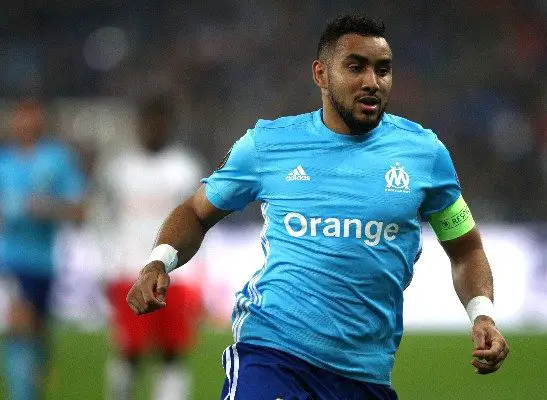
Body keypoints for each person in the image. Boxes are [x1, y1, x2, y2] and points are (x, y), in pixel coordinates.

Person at [126, 14, 510, 399]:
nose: (372, 82)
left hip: (365, 373)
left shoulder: (424, 154)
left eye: (382, 70)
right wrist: (159, 261)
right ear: (321, 74)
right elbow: (196, 212)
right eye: (356, 67)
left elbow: (465, 248)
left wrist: (483, 316)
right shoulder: (268, 144)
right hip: (272, 354)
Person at [96, 95, 206, 400]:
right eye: (149, 122)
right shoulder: (119, 169)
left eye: (160, 123)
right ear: (139, 125)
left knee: (173, 353)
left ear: (170, 125)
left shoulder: (185, 167)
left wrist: (199, 272)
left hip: (176, 275)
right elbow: (101, 219)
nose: (154, 128)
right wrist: (105, 265)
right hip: (128, 271)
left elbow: (201, 222)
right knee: (129, 352)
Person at [0, 99, 86, 400]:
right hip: (11, 260)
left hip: (44, 262)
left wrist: (45, 208)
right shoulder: (4, 162)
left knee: (38, 339)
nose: (25, 124)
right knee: (19, 325)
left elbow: (79, 211)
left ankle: (31, 391)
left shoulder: (57, 160)